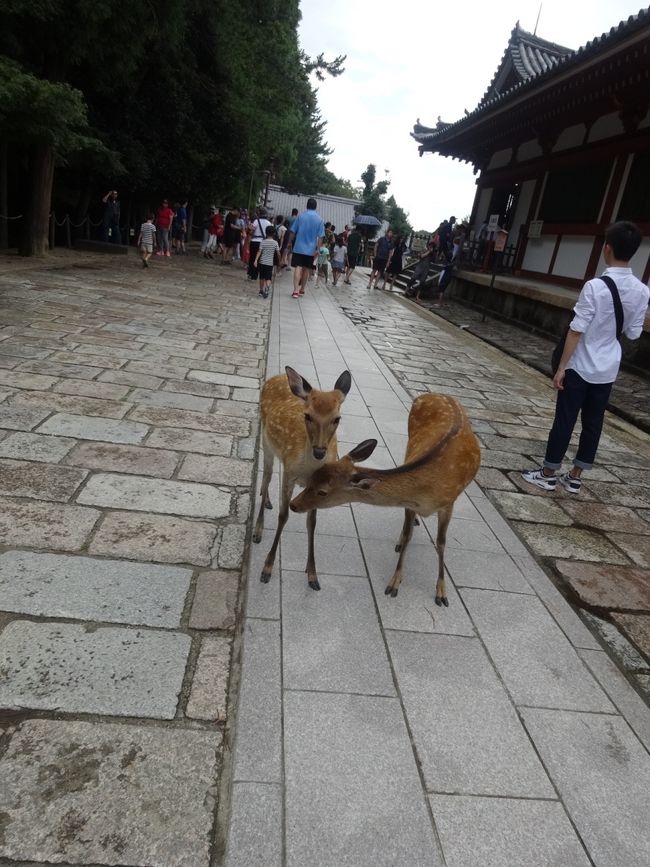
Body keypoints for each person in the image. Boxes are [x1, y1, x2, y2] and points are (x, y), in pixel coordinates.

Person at [521, 221, 649, 494]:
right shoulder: (642, 291)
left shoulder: (595, 287)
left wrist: (561, 368)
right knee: (594, 422)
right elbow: (634, 334)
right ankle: (576, 476)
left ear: (607, 248)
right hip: (608, 368)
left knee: (565, 419)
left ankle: (548, 472)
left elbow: (576, 331)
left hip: (580, 365)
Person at [290, 197, 324, 299]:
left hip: (298, 247)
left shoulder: (300, 217)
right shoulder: (320, 219)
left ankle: (295, 290)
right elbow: (321, 236)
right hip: (310, 249)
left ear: (307, 205)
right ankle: (302, 289)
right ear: (315, 207)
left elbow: (292, 231)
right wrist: (318, 249)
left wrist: (289, 242)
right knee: (306, 269)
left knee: (298, 267)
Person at [254, 224, 279, 299]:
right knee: (268, 278)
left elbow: (259, 251)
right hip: (270, 263)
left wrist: (255, 260)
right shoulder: (275, 243)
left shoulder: (263, 242)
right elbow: (278, 253)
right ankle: (267, 287)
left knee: (261, 277)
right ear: (274, 233)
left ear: (266, 233)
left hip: (262, 262)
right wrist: (280, 259)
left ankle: (261, 290)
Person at [247, 207, 272, 280]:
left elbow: (251, 231)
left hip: (254, 241)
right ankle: (255, 275)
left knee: (252, 258)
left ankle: (250, 274)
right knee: (259, 259)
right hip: (263, 243)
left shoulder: (256, 221)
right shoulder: (269, 223)